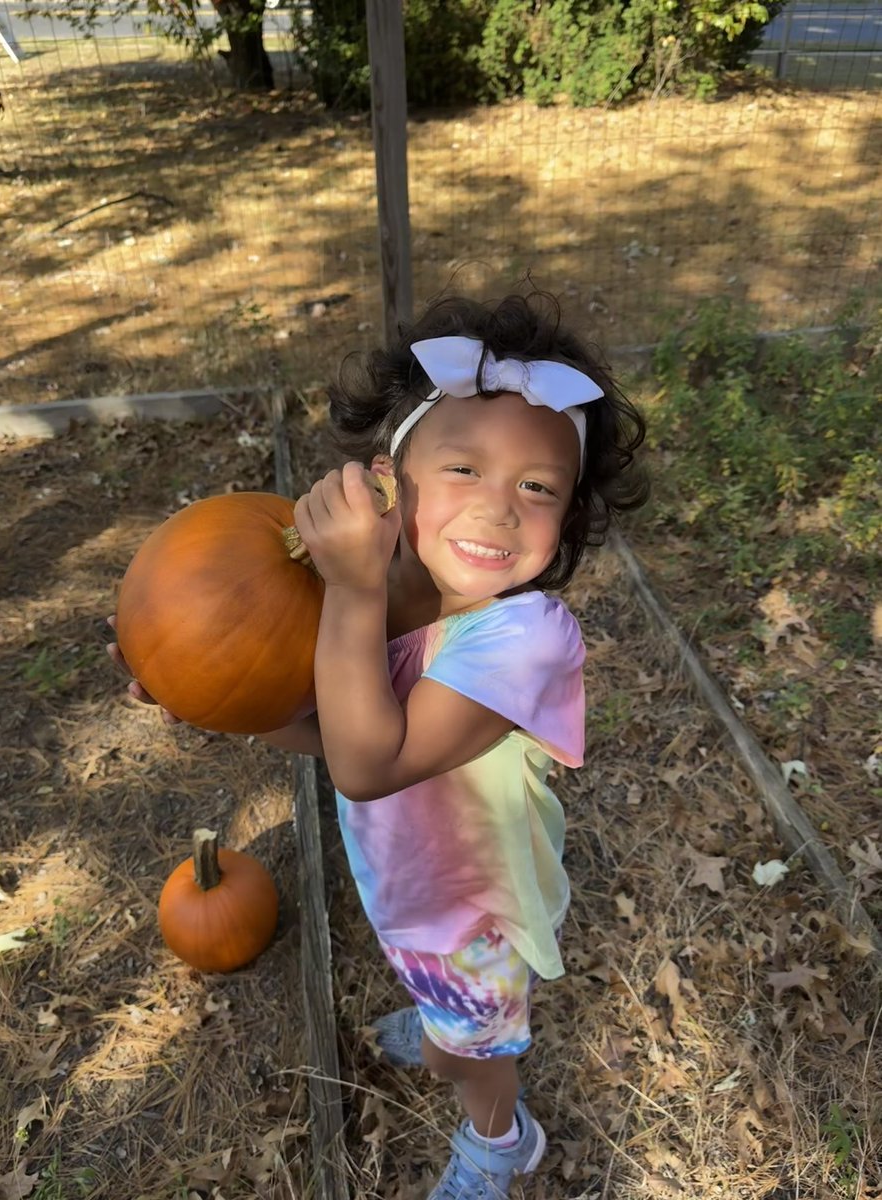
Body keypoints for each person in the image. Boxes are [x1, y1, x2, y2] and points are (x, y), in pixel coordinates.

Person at [109, 289, 648, 1199]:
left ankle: (499, 1138)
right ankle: (442, 1024)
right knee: (436, 996)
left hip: (474, 913)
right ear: (389, 480)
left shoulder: (527, 640)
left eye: (537, 487)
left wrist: (351, 592)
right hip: (402, 878)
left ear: (568, 517)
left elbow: (369, 763)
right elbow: (330, 732)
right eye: (464, 469)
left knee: (479, 1056)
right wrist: (206, 702)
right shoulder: (360, 597)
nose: (499, 509)